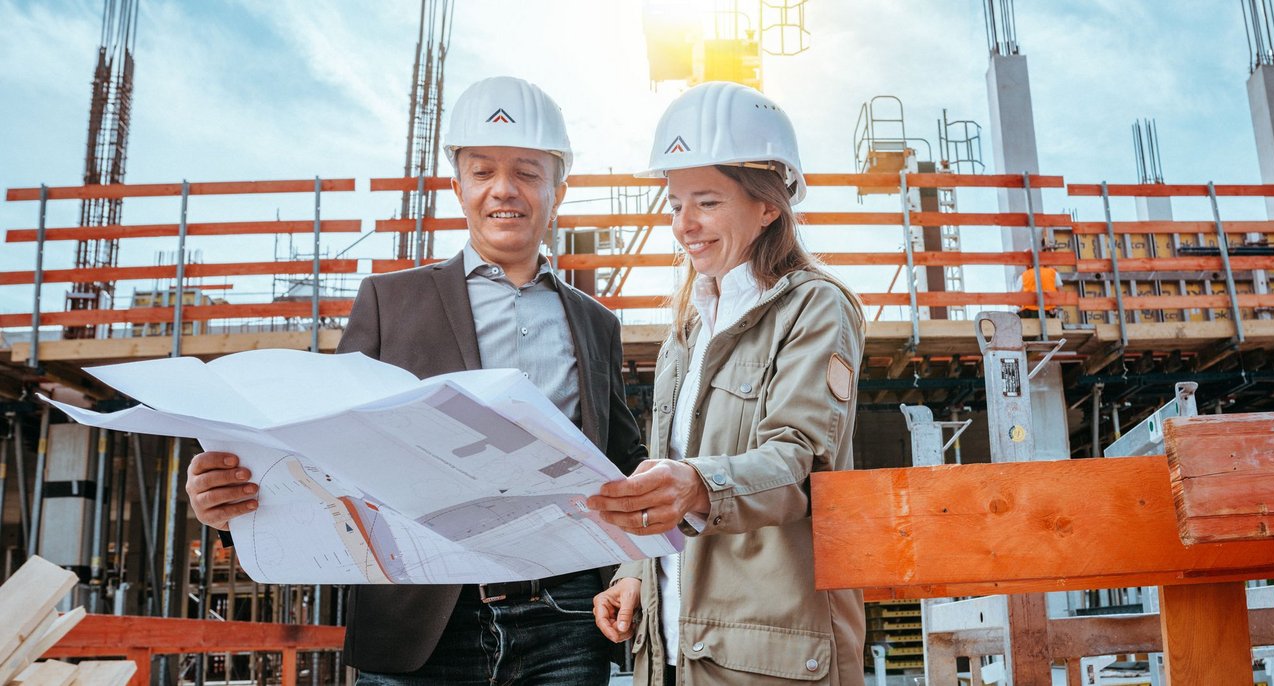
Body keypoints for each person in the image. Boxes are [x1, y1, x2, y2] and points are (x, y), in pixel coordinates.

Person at [182, 76, 645, 685]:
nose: (503, 191)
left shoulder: (595, 323)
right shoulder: (388, 302)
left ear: (560, 187)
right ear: (458, 186)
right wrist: (233, 498)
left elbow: (621, 457)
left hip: (565, 619)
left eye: (528, 172)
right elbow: (324, 448)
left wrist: (635, 566)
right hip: (420, 622)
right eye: (482, 172)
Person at [587, 82, 867, 685]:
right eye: (674, 204)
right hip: (668, 653)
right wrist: (633, 572)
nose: (684, 225)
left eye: (706, 202)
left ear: (768, 205)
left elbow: (799, 461)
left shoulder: (815, 309)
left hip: (766, 657)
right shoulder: (685, 333)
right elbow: (667, 474)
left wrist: (695, 485)